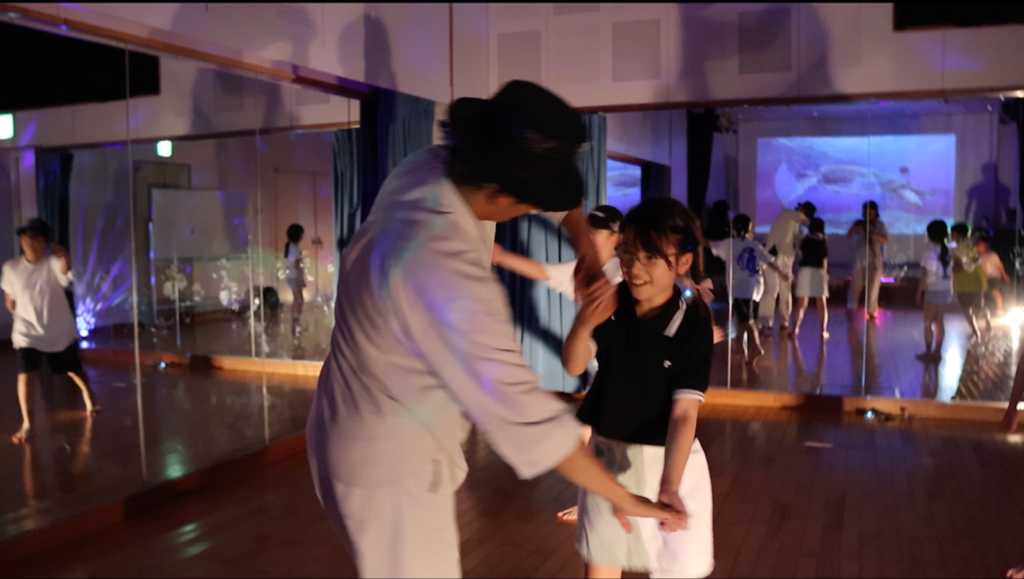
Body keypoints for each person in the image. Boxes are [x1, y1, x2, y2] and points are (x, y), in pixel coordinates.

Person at [305, 80, 681, 579]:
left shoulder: (429, 167)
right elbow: (528, 416)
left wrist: (586, 252)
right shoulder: (442, 269)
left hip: (349, 409)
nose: (531, 211)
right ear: (499, 193)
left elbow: (558, 203)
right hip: (387, 460)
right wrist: (622, 496)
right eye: (527, 204)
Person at [564, 198, 715, 579]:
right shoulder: (612, 304)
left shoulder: (692, 325)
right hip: (608, 456)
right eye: (628, 252)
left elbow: (684, 415)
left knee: (677, 567)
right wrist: (584, 322)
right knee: (602, 563)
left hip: (669, 460)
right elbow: (574, 364)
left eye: (650, 257)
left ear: (683, 261)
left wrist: (669, 486)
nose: (633, 266)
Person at [2, 219, 99, 444]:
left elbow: (65, 271)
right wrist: (18, 310)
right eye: (25, 237)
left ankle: (88, 393)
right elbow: (10, 298)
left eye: (35, 237)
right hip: (26, 332)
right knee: (26, 375)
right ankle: (27, 423)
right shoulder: (11, 267)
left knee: (72, 369)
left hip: (57, 330)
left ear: (46, 241)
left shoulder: (53, 263)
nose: (29, 242)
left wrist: (64, 257)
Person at [710, 214, 791, 364]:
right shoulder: (754, 245)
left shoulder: (730, 244)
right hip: (755, 289)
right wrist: (782, 273)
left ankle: (756, 347)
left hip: (741, 289)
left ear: (733, 229)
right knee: (744, 320)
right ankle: (741, 348)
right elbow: (769, 261)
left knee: (747, 321)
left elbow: (708, 244)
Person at [758, 201, 815, 334]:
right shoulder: (787, 214)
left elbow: (799, 243)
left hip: (787, 261)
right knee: (771, 290)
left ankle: (784, 321)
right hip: (772, 259)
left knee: (785, 291)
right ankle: (765, 322)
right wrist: (814, 226)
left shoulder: (798, 228)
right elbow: (803, 219)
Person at [915, 220, 953, 363]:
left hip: (932, 290)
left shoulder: (929, 254)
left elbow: (926, 275)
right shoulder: (950, 251)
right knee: (939, 322)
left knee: (928, 323)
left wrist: (919, 292)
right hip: (946, 290)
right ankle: (938, 353)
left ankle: (928, 353)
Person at [846, 201, 888, 319]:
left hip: (874, 258)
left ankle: (871, 310)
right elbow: (848, 236)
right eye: (866, 212)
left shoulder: (880, 225)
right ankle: (852, 306)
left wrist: (875, 237)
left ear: (875, 212)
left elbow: (885, 239)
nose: (868, 214)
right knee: (856, 284)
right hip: (860, 257)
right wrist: (854, 229)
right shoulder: (859, 223)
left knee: (873, 285)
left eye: (871, 212)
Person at [791, 217, 829, 340]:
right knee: (821, 303)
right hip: (818, 271)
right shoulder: (822, 241)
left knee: (801, 303)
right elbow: (824, 260)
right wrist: (825, 273)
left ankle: (795, 329)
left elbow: (801, 253)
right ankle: (823, 331)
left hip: (805, 271)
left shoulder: (805, 240)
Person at [950, 222, 987, 339]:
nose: (951, 235)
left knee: (969, 309)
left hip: (966, 283)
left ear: (959, 234)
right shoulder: (972, 247)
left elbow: (962, 267)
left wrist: (953, 268)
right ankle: (980, 329)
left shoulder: (959, 249)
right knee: (974, 308)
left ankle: (977, 330)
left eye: (953, 233)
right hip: (972, 281)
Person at [976, 235, 1010, 317]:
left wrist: (1004, 275)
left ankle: (1000, 309)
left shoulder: (992, 255)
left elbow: (999, 266)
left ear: (985, 245)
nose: (978, 246)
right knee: (982, 293)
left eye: (981, 244)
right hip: (983, 277)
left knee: (995, 291)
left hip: (994, 276)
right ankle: (982, 310)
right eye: (978, 244)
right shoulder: (977, 256)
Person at [284, 224, 306, 336]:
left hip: (291, 276)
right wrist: (301, 278)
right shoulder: (294, 248)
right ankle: (295, 325)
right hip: (294, 277)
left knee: (297, 300)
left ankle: (296, 325)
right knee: (299, 300)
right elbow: (296, 264)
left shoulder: (291, 246)